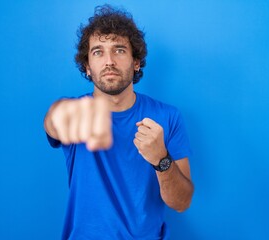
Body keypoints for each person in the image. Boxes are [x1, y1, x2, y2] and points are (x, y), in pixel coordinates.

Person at [44, 4, 194, 239]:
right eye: (98, 52)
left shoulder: (168, 116)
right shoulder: (75, 113)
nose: (109, 61)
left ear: (136, 62)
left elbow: (182, 202)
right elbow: (53, 124)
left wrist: (161, 159)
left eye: (119, 50)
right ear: (87, 67)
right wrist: (56, 117)